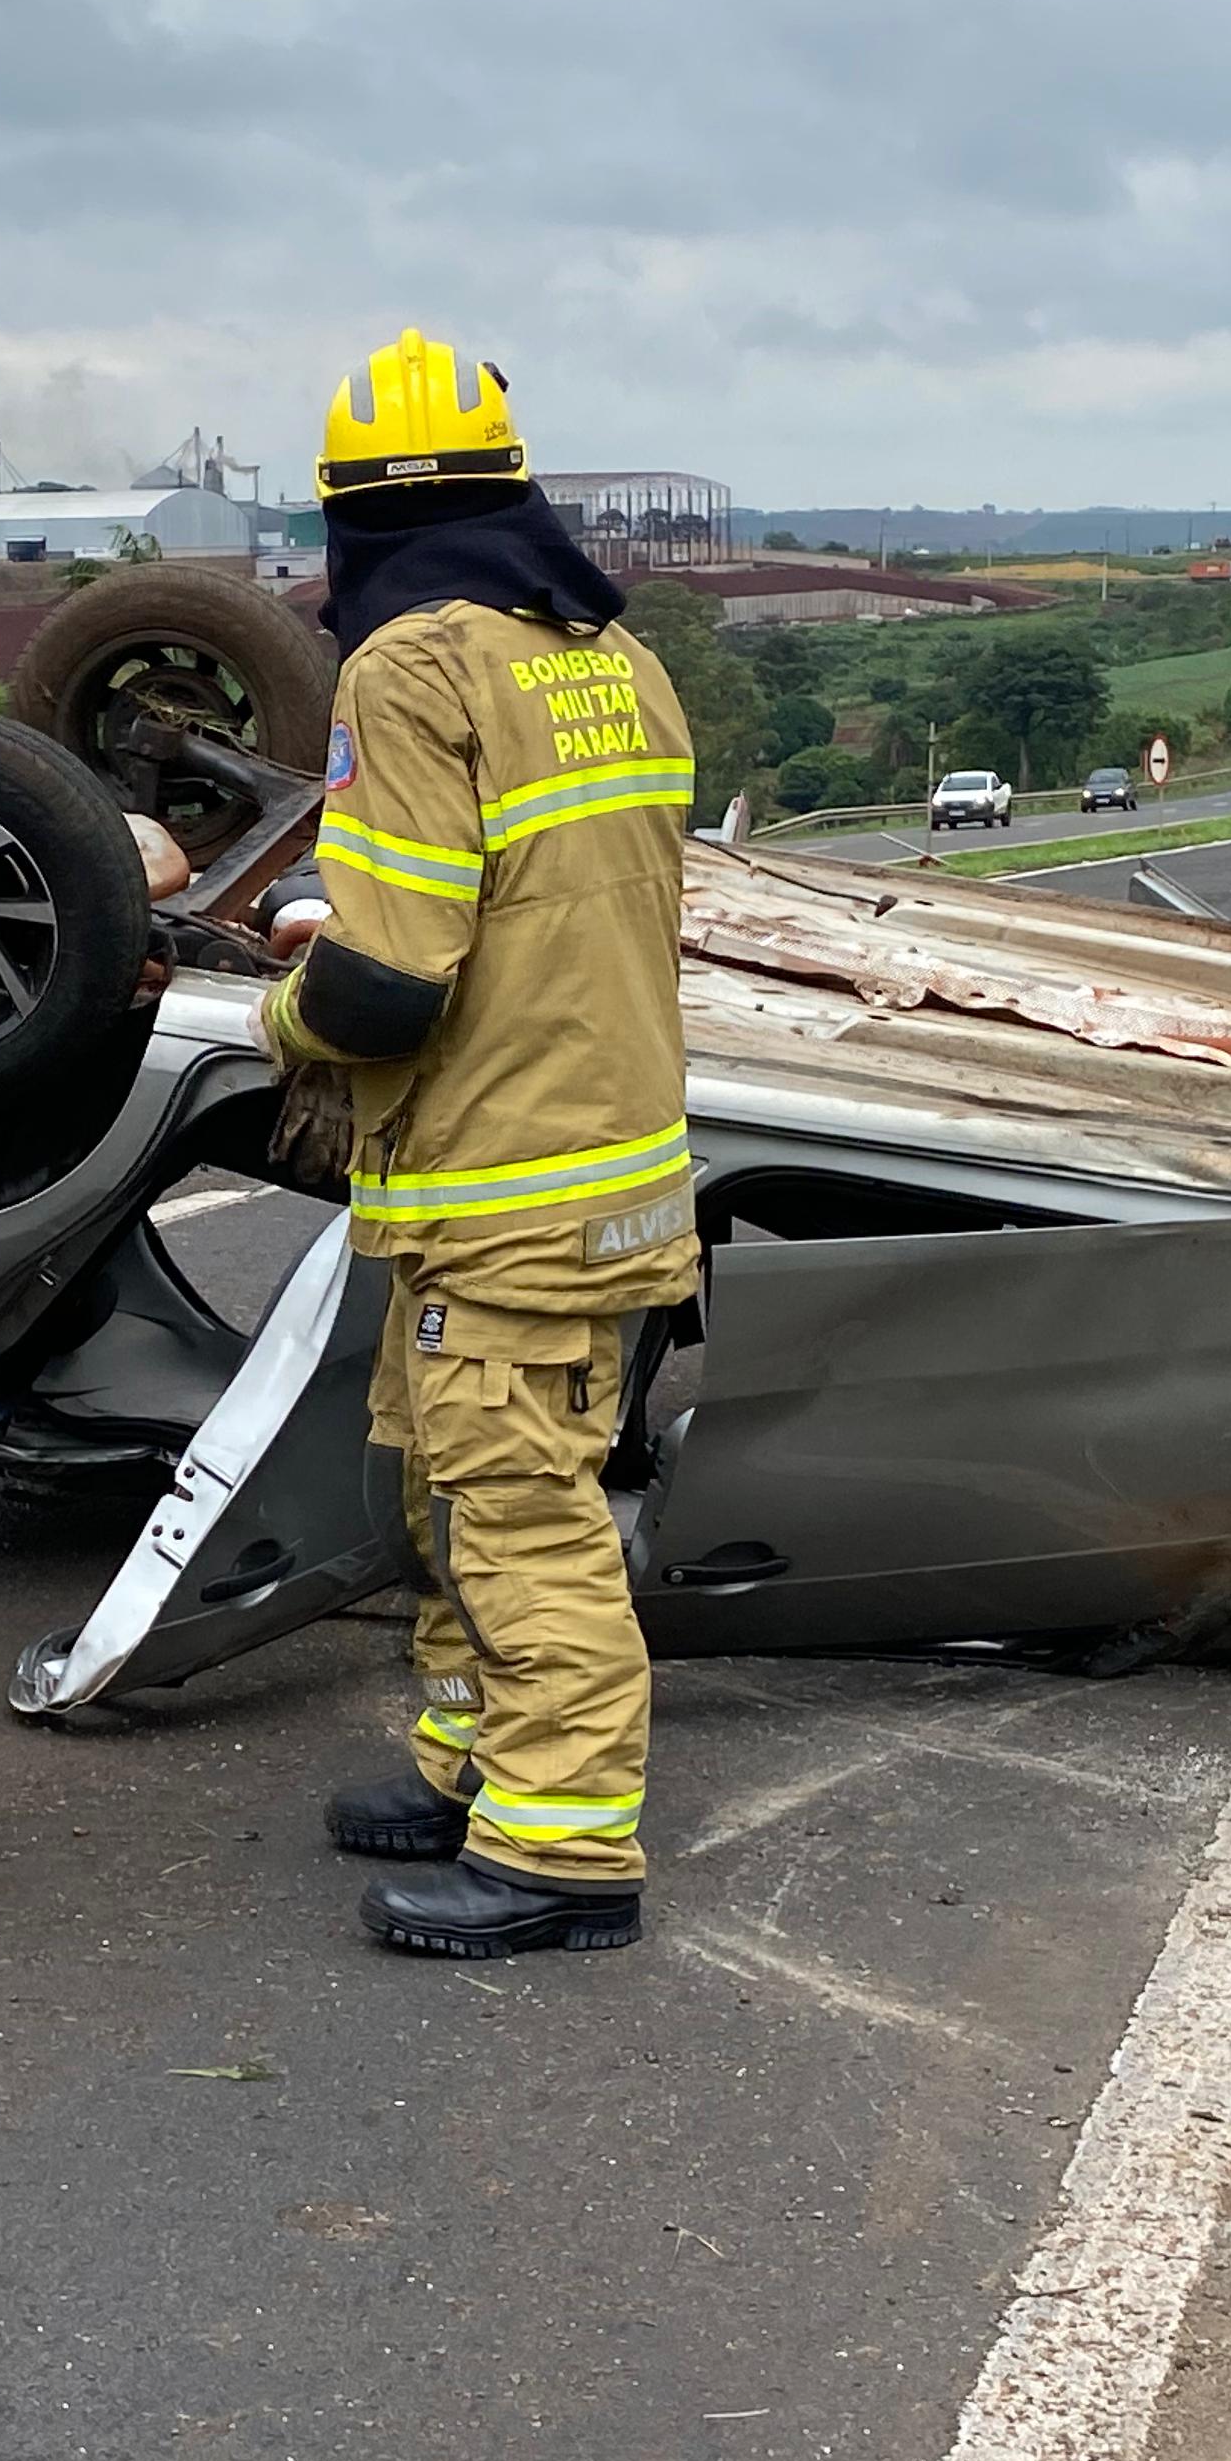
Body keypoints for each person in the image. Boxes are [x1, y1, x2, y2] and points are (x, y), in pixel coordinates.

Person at [258, 331, 701, 1957]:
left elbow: (386, 983)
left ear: (353, 524)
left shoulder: (409, 670)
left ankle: (561, 1844)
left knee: (517, 1509)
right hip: (606, 1165)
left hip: (504, 1188)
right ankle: (469, 1759)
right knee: (460, 1486)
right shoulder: (613, 659)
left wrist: (278, 1014)